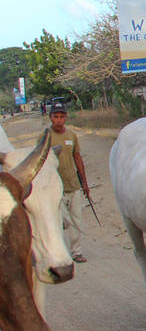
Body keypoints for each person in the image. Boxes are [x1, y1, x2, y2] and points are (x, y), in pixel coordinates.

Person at [46, 102, 90, 263]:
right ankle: (57, 253)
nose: (58, 120)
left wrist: (84, 183)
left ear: (65, 117)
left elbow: (77, 158)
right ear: (50, 117)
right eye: (55, 117)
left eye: (61, 116)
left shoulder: (72, 135)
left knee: (76, 220)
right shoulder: (46, 136)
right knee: (59, 221)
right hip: (54, 187)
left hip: (73, 185)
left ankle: (76, 252)